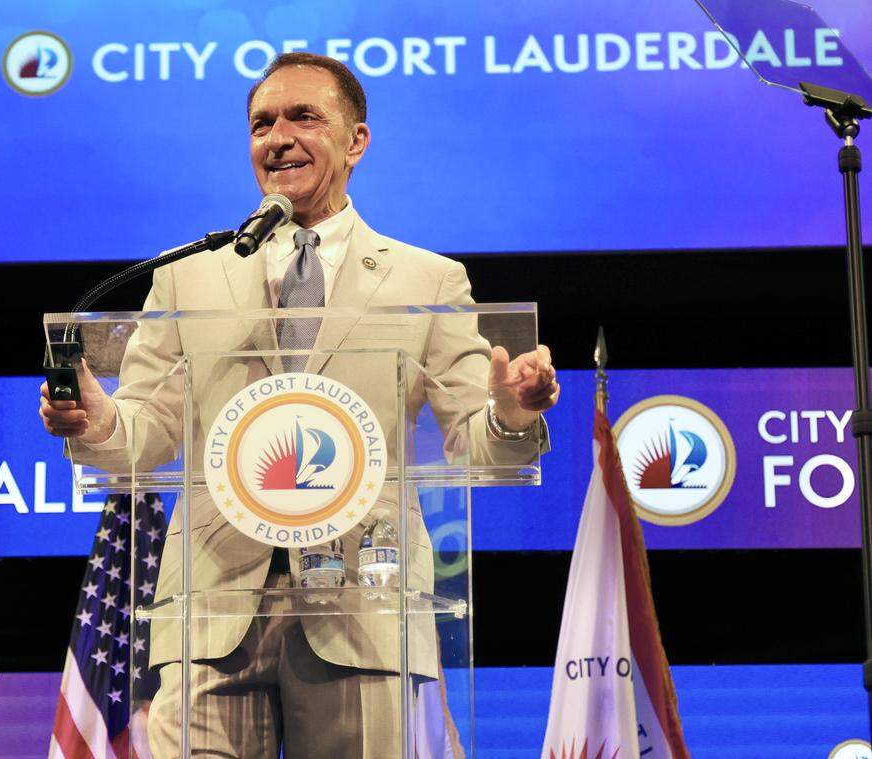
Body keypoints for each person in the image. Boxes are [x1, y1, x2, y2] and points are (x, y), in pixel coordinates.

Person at [41, 52, 560, 758]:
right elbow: (146, 433)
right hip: (210, 613)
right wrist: (96, 420)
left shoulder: (427, 278)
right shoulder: (185, 277)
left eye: (303, 117)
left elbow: (476, 441)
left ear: (356, 141)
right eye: (261, 123)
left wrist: (511, 413)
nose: (277, 137)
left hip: (365, 610)